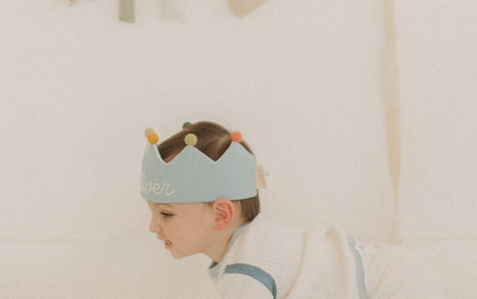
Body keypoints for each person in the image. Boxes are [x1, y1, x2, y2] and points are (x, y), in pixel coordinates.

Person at [142, 121, 443, 299]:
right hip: (392, 269)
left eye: (165, 214)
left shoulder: (245, 270)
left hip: (387, 284)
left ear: (222, 214)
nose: (153, 226)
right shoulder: (253, 247)